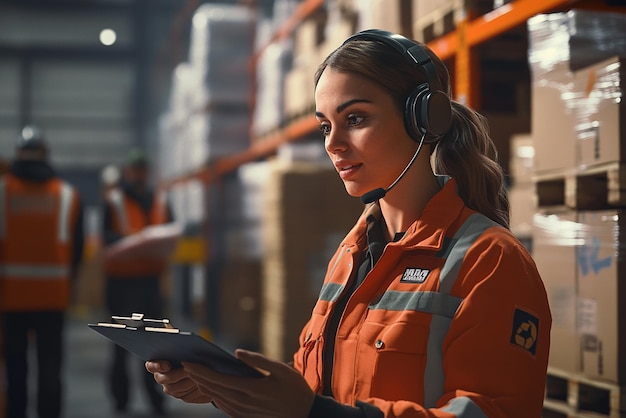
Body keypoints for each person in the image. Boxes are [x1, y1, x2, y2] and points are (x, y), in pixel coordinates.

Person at [146, 29, 552, 418]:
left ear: (425, 120)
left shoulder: (490, 261)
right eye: (326, 126)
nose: (332, 144)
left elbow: (493, 411)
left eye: (355, 119)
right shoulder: (352, 252)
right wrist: (225, 388)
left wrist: (315, 413)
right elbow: (321, 379)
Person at [0, 125, 84, 418]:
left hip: (11, 300)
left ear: (18, 153)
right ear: (45, 153)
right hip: (53, 298)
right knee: (50, 369)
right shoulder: (66, 195)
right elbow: (77, 251)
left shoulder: (3, 192)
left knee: (15, 368)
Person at [102, 148, 172, 415]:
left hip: (149, 284)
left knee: (154, 347)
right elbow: (106, 239)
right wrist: (131, 244)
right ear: (128, 171)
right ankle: (120, 401)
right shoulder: (114, 201)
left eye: (143, 169)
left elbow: (171, 231)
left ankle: (156, 400)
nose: (140, 174)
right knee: (120, 345)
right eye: (135, 169)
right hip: (122, 286)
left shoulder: (160, 200)